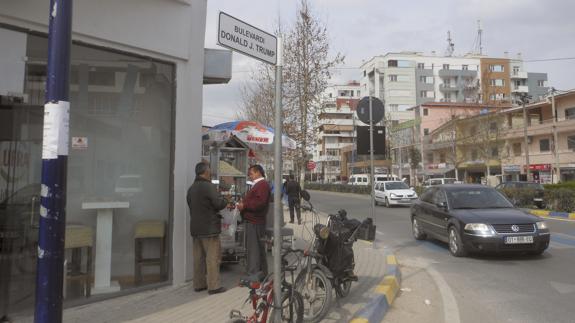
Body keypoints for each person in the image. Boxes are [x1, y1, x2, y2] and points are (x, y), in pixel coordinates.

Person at [187, 162, 229, 295]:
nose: (211, 172)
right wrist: (226, 200)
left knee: (198, 258)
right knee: (212, 257)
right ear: (205, 172)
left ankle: (199, 284)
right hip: (209, 228)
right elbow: (218, 203)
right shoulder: (208, 186)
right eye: (209, 170)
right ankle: (214, 286)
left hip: (196, 228)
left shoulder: (192, 188)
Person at [237, 164, 270, 276]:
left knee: (254, 249)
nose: (250, 176)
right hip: (254, 220)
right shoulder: (259, 185)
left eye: (251, 174)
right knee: (256, 248)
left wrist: (245, 205)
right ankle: (260, 272)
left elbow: (260, 203)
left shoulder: (262, 185)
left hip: (256, 221)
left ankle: (254, 273)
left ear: (258, 173)